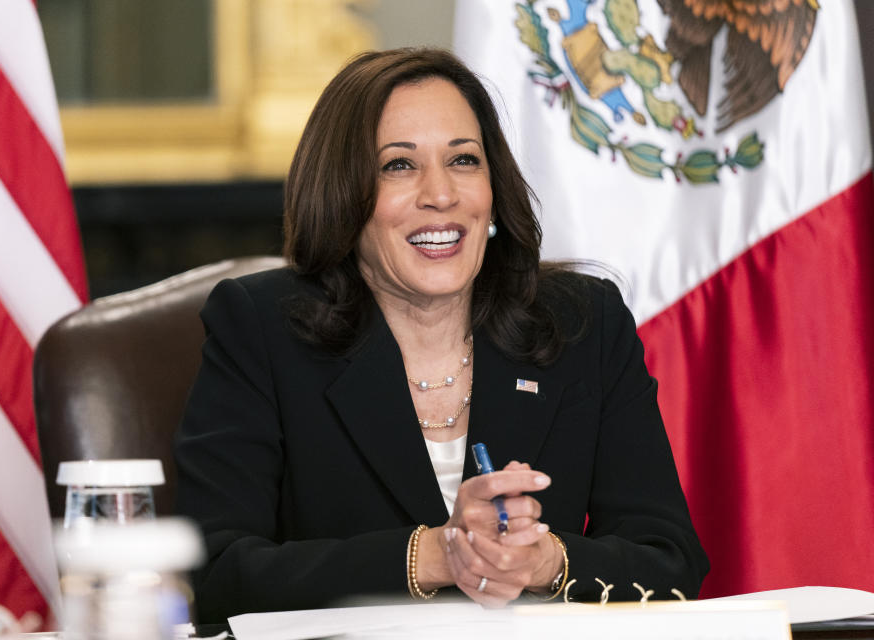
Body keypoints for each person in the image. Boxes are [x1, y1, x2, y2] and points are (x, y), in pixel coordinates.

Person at [173, 48, 708, 621]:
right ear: (343, 196)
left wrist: (543, 562)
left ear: (493, 191)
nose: (441, 195)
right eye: (399, 166)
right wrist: (433, 555)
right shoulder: (260, 327)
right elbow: (217, 573)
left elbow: (670, 561)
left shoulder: (583, 324)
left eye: (463, 161)